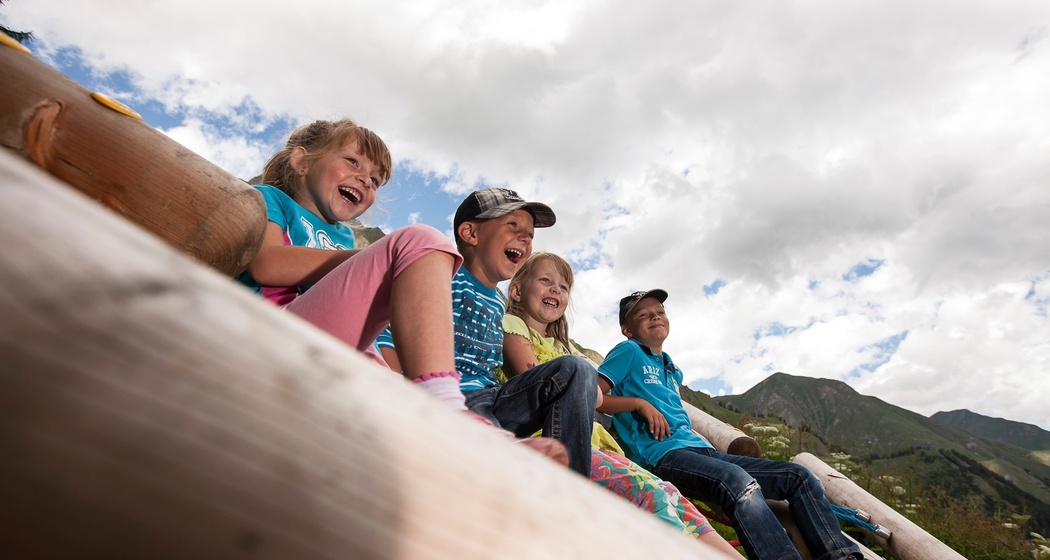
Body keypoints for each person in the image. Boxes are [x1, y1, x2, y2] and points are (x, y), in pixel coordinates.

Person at [500, 253, 744, 558]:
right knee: (649, 495)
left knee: (672, 494)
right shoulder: (514, 326)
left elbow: (597, 398)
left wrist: (618, 394)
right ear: (517, 291)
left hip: (592, 444)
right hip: (551, 441)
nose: (555, 290)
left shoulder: (564, 348)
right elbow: (537, 382)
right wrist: (582, 381)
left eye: (563, 287)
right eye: (545, 281)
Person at [598, 289, 864, 560]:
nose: (655, 317)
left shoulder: (671, 368)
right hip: (663, 455)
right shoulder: (629, 351)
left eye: (660, 312)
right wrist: (638, 404)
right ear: (627, 329)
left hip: (702, 452)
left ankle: (842, 556)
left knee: (800, 477)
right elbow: (594, 395)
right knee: (737, 481)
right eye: (643, 315)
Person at [236, 118, 466, 411]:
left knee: (405, 397)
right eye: (353, 161)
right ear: (302, 161)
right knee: (421, 240)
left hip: (326, 348)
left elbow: (349, 315)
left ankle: (452, 416)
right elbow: (267, 265)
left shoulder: (344, 236)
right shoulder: (272, 199)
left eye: (375, 180)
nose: (366, 180)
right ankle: (444, 403)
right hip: (268, 329)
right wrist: (380, 260)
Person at [450, 187, 598, 477]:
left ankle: (571, 484)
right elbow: (390, 332)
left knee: (576, 368)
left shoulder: (497, 303)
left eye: (530, 234)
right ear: (470, 233)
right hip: (454, 394)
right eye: (513, 225)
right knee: (492, 450)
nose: (526, 238)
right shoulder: (444, 274)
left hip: (493, 397)